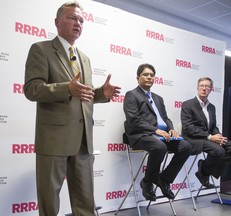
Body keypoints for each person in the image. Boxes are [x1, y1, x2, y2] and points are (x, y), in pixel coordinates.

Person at [24, 2, 121, 215]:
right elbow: (32, 89)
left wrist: (100, 94)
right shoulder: (41, 49)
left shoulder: (84, 58)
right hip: (54, 139)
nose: (77, 23)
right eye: (71, 18)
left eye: (81, 20)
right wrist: (66, 88)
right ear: (57, 22)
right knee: (49, 204)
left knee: (85, 203)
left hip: (83, 140)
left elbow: (81, 94)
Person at [123, 63, 192, 201]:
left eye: (152, 75)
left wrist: (171, 129)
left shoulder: (158, 98)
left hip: (162, 135)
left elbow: (165, 118)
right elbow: (134, 121)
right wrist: (156, 130)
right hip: (141, 135)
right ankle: (148, 182)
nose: (149, 77)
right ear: (138, 78)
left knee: (186, 146)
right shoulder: (131, 95)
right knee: (159, 147)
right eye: (145, 74)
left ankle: (164, 179)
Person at [181, 77, 231, 188]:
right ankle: (204, 172)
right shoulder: (188, 105)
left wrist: (218, 135)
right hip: (193, 139)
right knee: (219, 151)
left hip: (208, 138)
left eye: (207, 86)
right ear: (197, 88)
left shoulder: (211, 107)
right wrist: (210, 137)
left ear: (211, 89)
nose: (204, 88)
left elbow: (212, 126)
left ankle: (204, 171)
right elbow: (189, 128)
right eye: (202, 86)